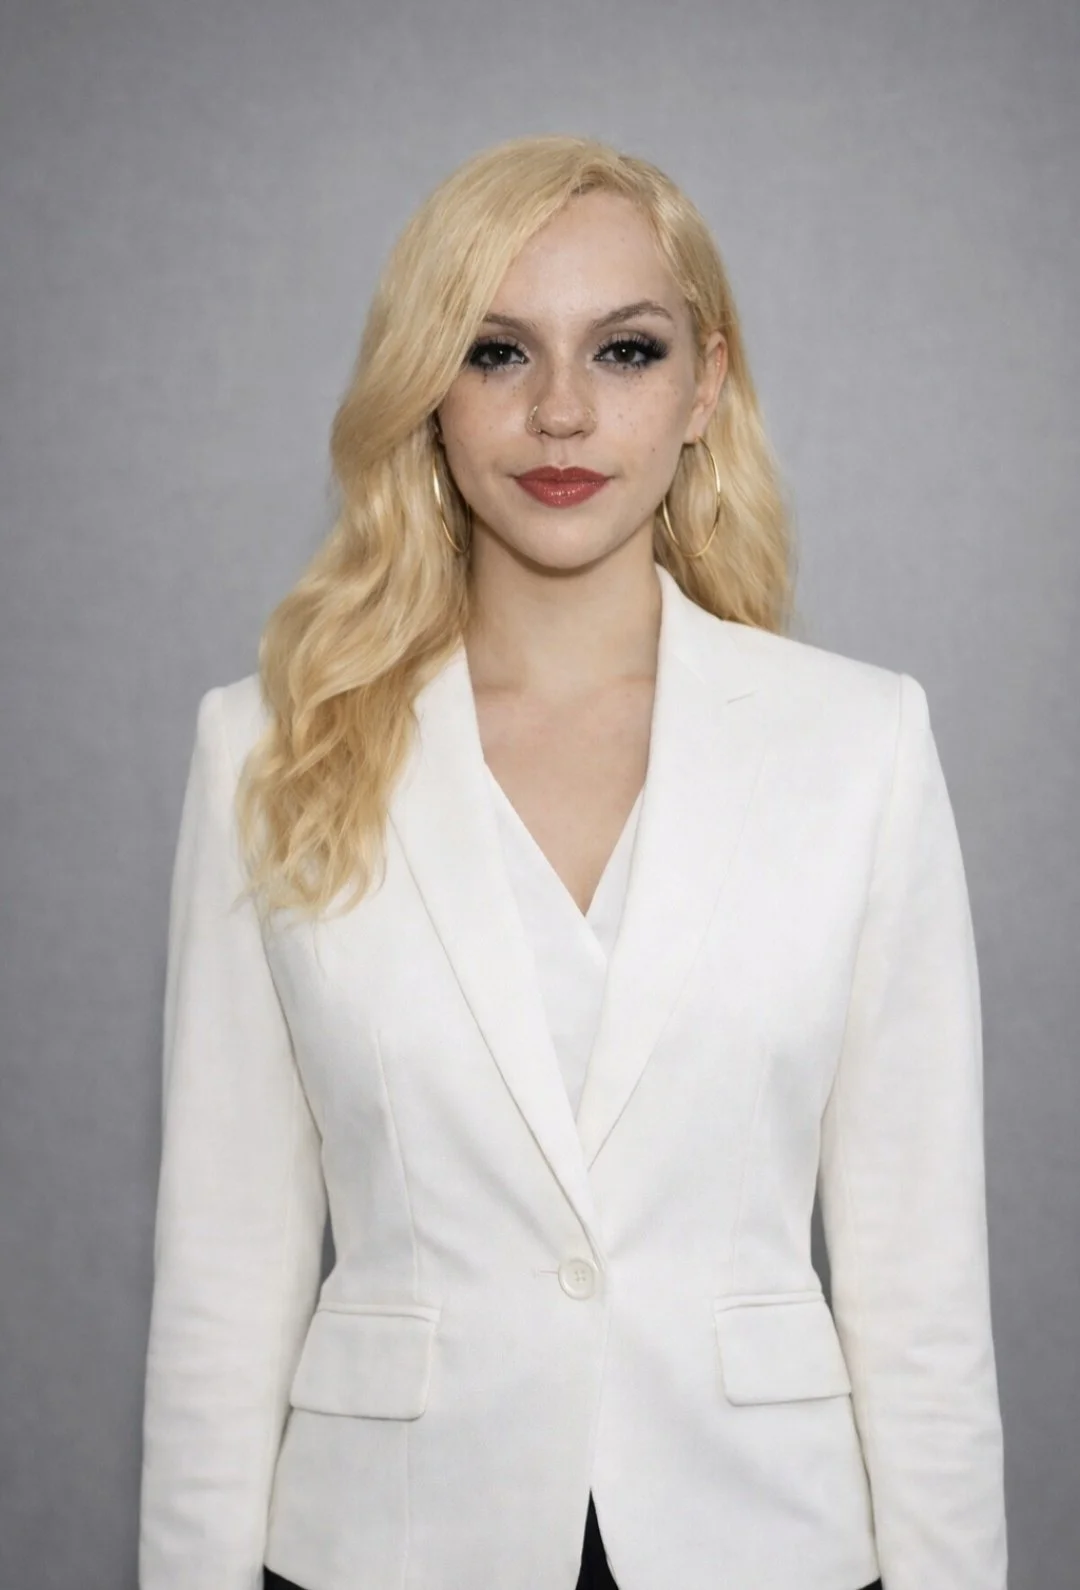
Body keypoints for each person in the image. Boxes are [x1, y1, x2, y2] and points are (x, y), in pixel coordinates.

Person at [137, 134, 1008, 1590]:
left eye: (622, 348)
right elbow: (222, 1278)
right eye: (494, 350)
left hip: (764, 1540)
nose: (557, 411)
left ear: (704, 386)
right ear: (427, 386)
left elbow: (922, 1293)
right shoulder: (266, 748)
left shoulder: (859, 744)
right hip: (388, 1545)